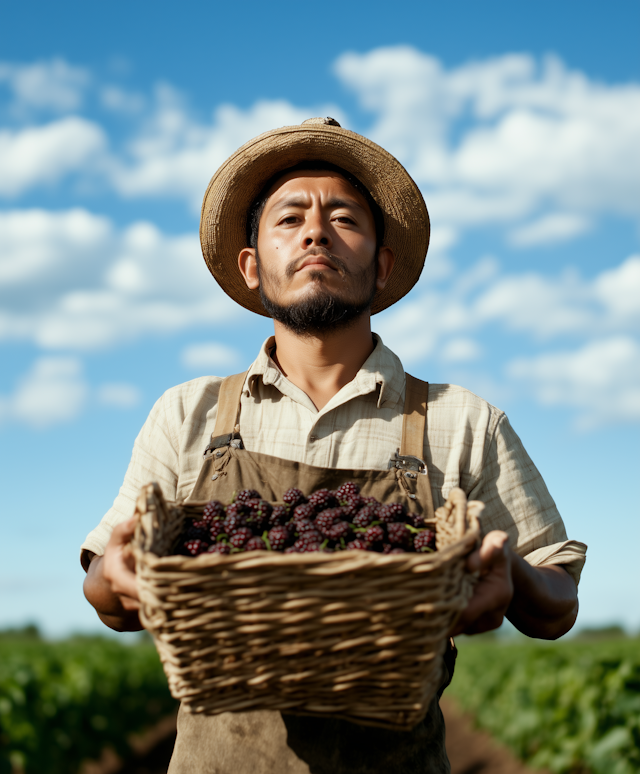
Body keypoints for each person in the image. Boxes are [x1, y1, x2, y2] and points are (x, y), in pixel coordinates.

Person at [81, 117, 587, 773]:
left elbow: (558, 605)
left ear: (380, 266)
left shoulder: (462, 421)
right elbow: (105, 585)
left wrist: (510, 574)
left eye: (344, 218)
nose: (316, 231)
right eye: (290, 219)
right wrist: (115, 577)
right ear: (252, 265)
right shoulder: (189, 412)